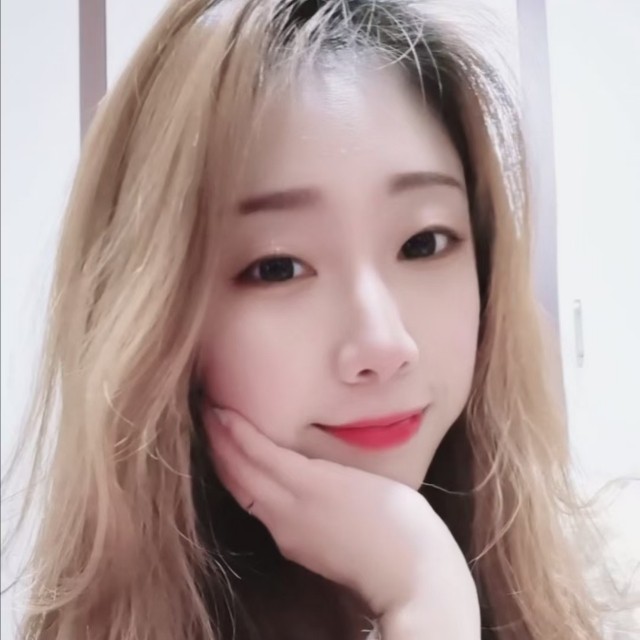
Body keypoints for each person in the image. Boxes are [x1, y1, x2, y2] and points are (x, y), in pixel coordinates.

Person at [1, 0, 614, 638]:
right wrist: (424, 596)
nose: (385, 344)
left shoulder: (587, 589)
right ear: (156, 318)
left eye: (423, 243)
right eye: (278, 267)